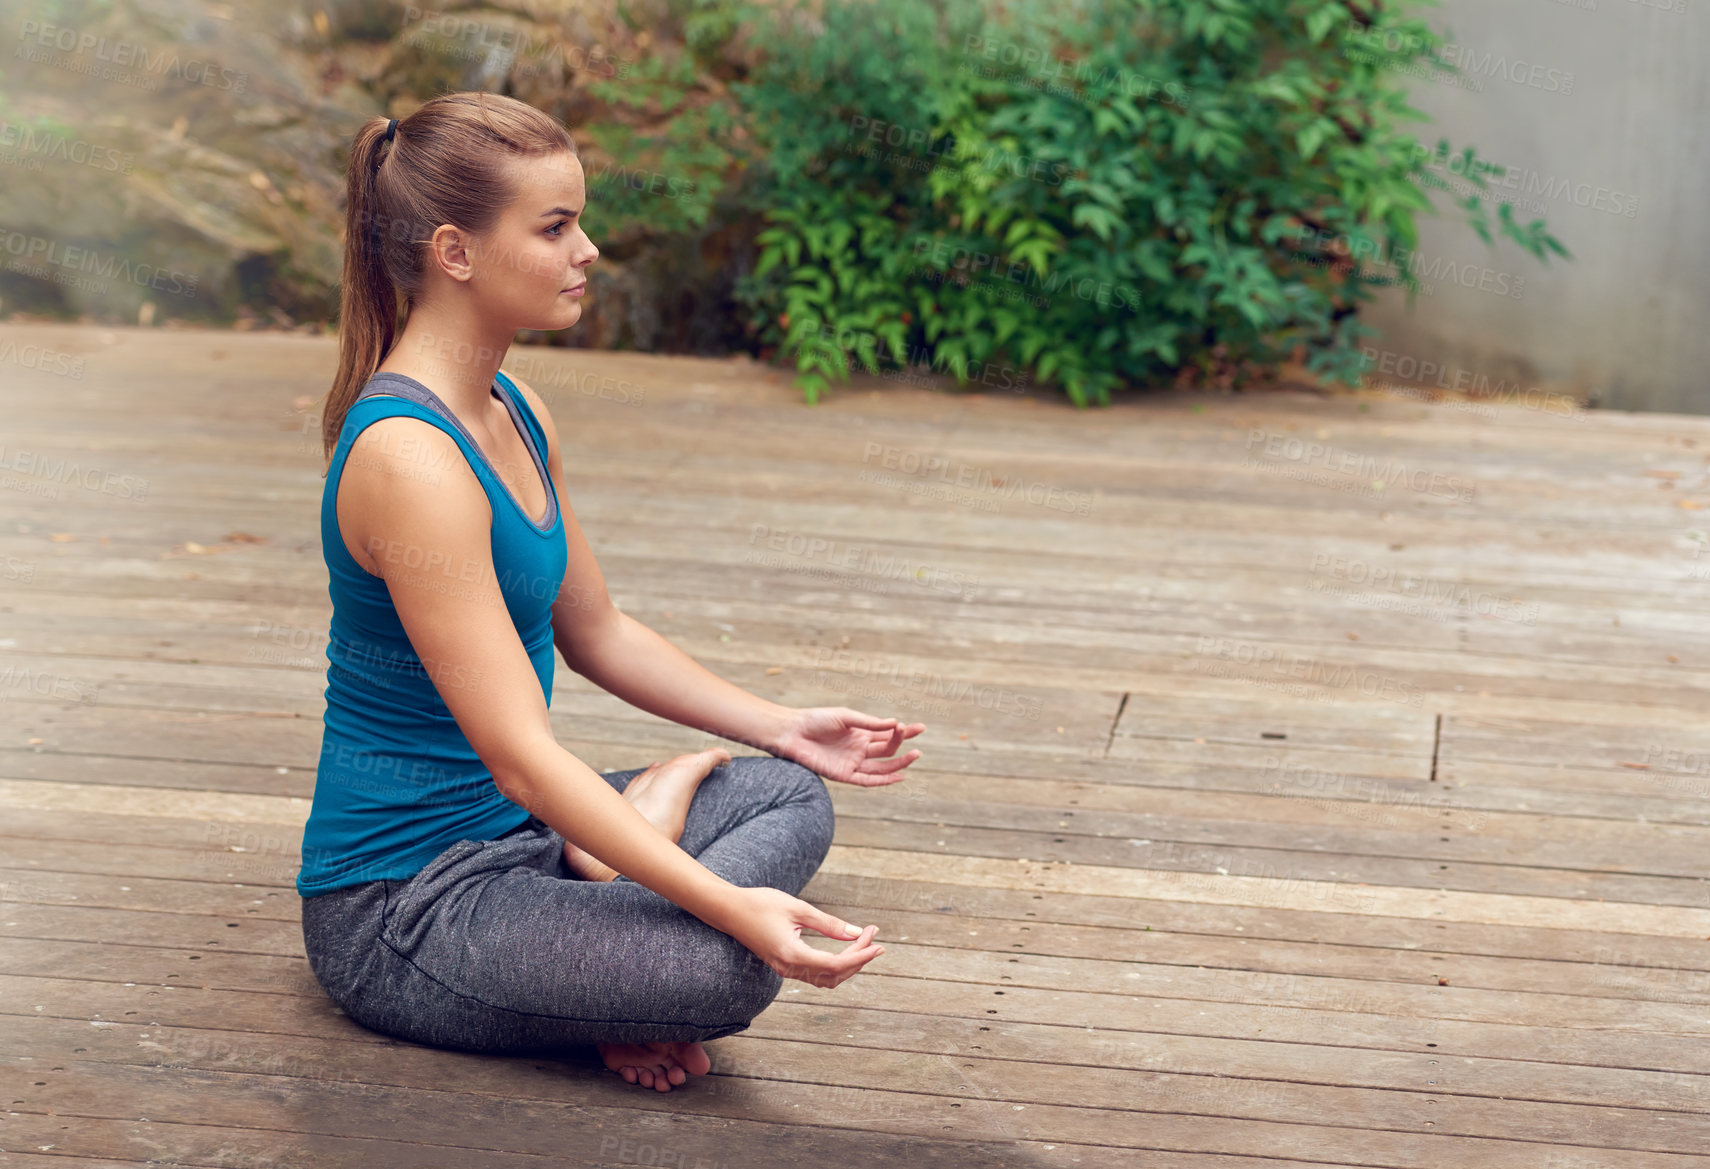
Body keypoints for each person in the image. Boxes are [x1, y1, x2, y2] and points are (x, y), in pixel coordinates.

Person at [296, 91, 926, 1093]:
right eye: (555, 227)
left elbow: (596, 628)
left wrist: (785, 723)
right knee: (725, 964)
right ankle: (615, 892)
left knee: (785, 789)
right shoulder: (409, 461)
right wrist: (727, 904)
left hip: (527, 839)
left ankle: (610, 867)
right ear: (456, 251)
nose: (588, 249)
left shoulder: (513, 405)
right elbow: (521, 758)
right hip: (406, 904)